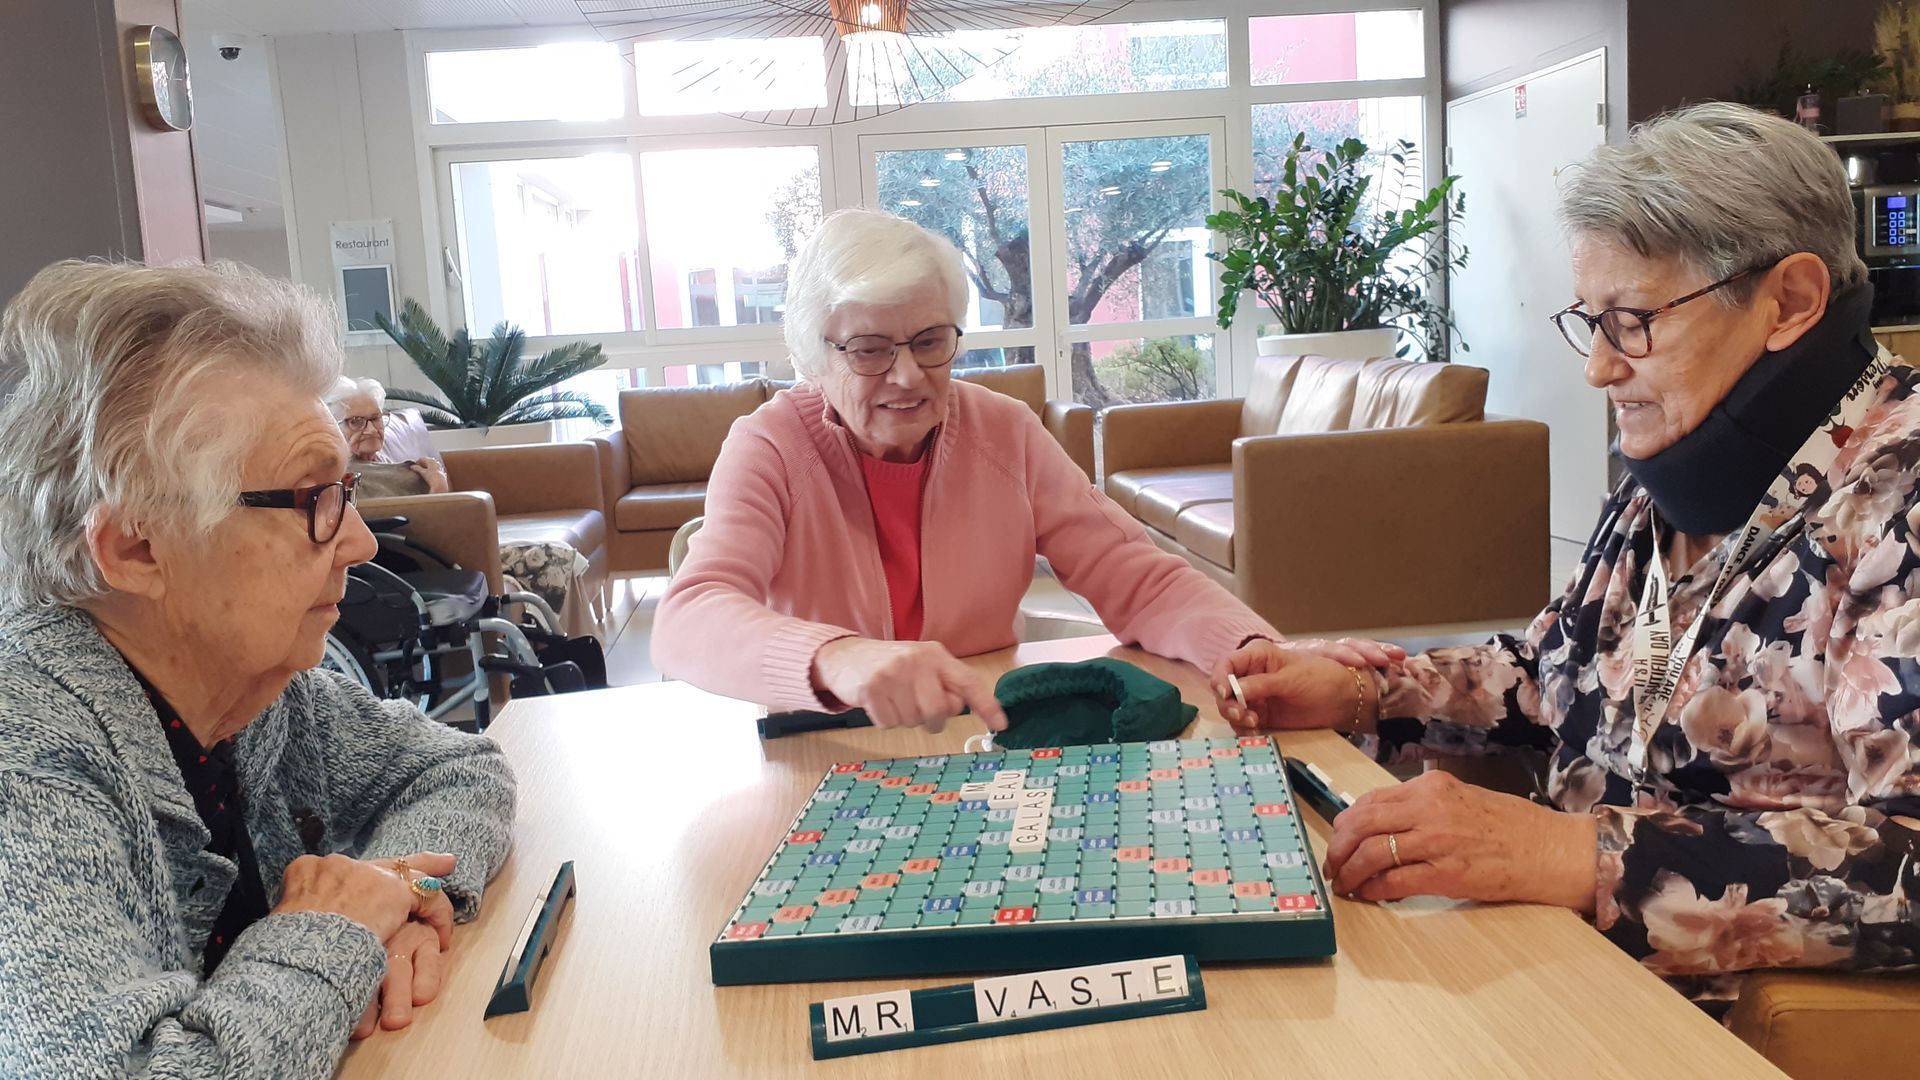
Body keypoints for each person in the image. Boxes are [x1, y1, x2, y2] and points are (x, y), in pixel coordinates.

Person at [1221, 102, 1920, 1008]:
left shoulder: (1896, 501)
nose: (1597, 367)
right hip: (1558, 962)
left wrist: (1570, 852)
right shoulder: (1687, 463)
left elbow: (1909, 857)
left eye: (1630, 321)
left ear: (1789, 301)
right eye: (1592, 320)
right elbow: (1561, 673)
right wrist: (1366, 691)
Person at [0, 260, 517, 1075]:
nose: (362, 542)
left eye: (347, 490)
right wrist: (334, 932)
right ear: (136, 548)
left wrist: (400, 897)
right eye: (313, 499)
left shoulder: (256, 690)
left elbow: (456, 767)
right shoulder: (26, 762)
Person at [653, 209, 1394, 729]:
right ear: (814, 356)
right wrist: (836, 657)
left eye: (930, 341)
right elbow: (688, 618)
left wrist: (1253, 651)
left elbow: (1136, 576)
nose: (907, 376)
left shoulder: (1003, 431)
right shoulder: (769, 445)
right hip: (822, 743)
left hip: (984, 734)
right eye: (870, 349)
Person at [329, 377, 449, 499]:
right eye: (356, 421)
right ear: (332, 427)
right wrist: (439, 488)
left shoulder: (381, 460)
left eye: (376, 418)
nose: (372, 430)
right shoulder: (348, 479)